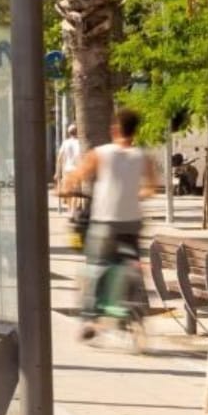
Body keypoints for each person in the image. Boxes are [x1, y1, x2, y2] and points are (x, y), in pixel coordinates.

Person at [62, 109, 158, 341]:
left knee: (98, 266)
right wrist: (135, 196)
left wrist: (64, 187)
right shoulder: (142, 156)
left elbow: (77, 176)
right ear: (134, 131)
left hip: (105, 222)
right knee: (132, 263)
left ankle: (90, 319)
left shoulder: (100, 153)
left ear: (114, 129)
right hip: (132, 224)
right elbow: (151, 188)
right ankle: (136, 316)